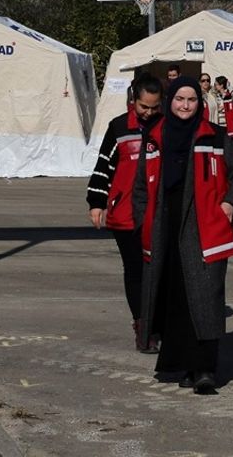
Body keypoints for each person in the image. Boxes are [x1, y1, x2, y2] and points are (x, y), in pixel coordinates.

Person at [133, 76, 233, 395]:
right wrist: (142, 220)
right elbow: (141, 188)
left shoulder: (214, 136)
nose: (185, 106)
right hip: (165, 230)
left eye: (191, 100)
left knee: (204, 300)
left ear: (199, 104)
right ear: (169, 101)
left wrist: (229, 204)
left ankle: (204, 369)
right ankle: (180, 364)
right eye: (179, 100)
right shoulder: (154, 136)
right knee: (175, 300)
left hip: (203, 230)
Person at [87, 73, 163, 354]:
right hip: (125, 213)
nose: (149, 113)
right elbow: (103, 166)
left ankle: (159, 322)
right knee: (135, 272)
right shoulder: (119, 127)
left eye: (155, 107)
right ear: (134, 100)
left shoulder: (167, 127)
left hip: (158, 214)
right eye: (144, 106)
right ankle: (143, 326)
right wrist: (97, 201)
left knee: (158, 271)